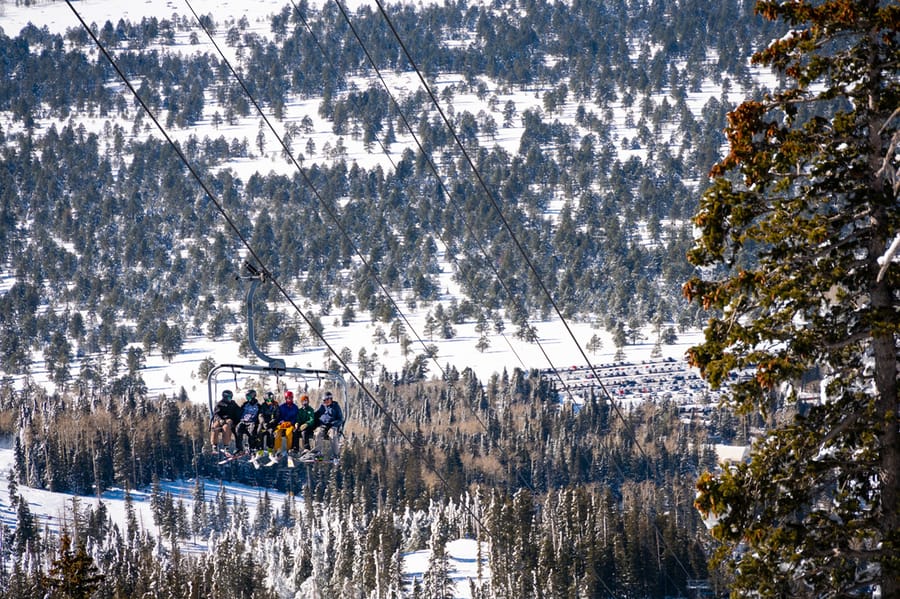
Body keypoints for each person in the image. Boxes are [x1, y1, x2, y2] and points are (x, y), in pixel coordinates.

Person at [308, 390, 344, 459]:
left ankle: (336, 455)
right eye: (324, 400)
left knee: (333, 435)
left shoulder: (336, 407)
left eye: (327, 400)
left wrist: (333, 424)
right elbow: (316, 415)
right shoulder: (322, 407)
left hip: (332, 426)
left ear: (331, 399)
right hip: (322, 425)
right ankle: (318, 453)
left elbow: (340, 419)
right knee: (318, 433)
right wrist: (310, 416)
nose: (325, 402)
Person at [234, 389, 260, 456]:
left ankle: (252, 448)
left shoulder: (258, 406)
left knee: (252, 431)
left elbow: (260, 415)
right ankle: (239, 448)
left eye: (248, 397)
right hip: (243, 422)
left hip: (252, 422)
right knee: (238, 429)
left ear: (253, 396)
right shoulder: (245, 404)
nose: (247, 398)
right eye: (246, 397)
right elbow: (239, 412)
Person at [273, 390, 299, 457]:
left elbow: (296, 417)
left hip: (290, 425)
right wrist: (281, 421)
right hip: (282, 424)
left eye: (290, 398)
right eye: (288, 398)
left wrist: (291, 422)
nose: (289, 399)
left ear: (292, 398)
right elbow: (279, 416)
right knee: (277, 433)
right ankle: (277, 450)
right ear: (285, 398)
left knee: (289, 434)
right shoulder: (282, 407)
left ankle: (289, 449)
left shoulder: (295, 407)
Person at [257, 390, 280, 456]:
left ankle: (270, 449)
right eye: (269, 400)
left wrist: (271, 422)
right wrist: (263, 422)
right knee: (259, 431)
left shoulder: (275, 405)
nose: (270, 401)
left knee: (271, 432)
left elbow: (277, 415)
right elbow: (260, 415)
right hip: (264, 424)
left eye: (271, 399)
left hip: (272, 424)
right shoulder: (263, 406)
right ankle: (260, 449)